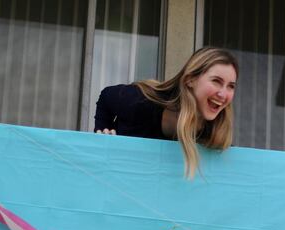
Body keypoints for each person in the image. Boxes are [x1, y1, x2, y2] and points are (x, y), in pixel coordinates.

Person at [94, 47, 238, 177]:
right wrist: (104, 132)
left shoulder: (216, 132)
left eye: (231, 86)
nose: (223, 94)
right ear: (190, 80)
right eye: (216, 81)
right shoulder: (140, 102)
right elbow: (107, 96)